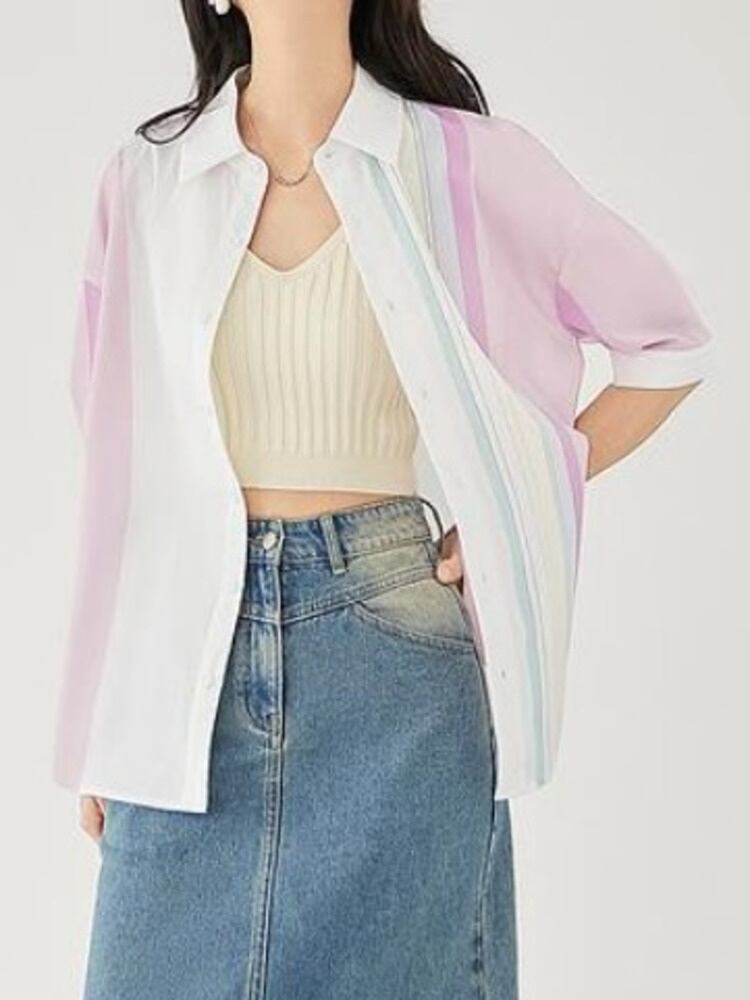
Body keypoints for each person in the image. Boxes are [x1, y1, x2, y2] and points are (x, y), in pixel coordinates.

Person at [55, 2, 713, 998]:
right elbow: (120, 466)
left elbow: (668, 346)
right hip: (185, 665)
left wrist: (518, 501)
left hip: (396, 665)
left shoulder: (460, 162)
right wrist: (106, 724)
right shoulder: (147, 183)